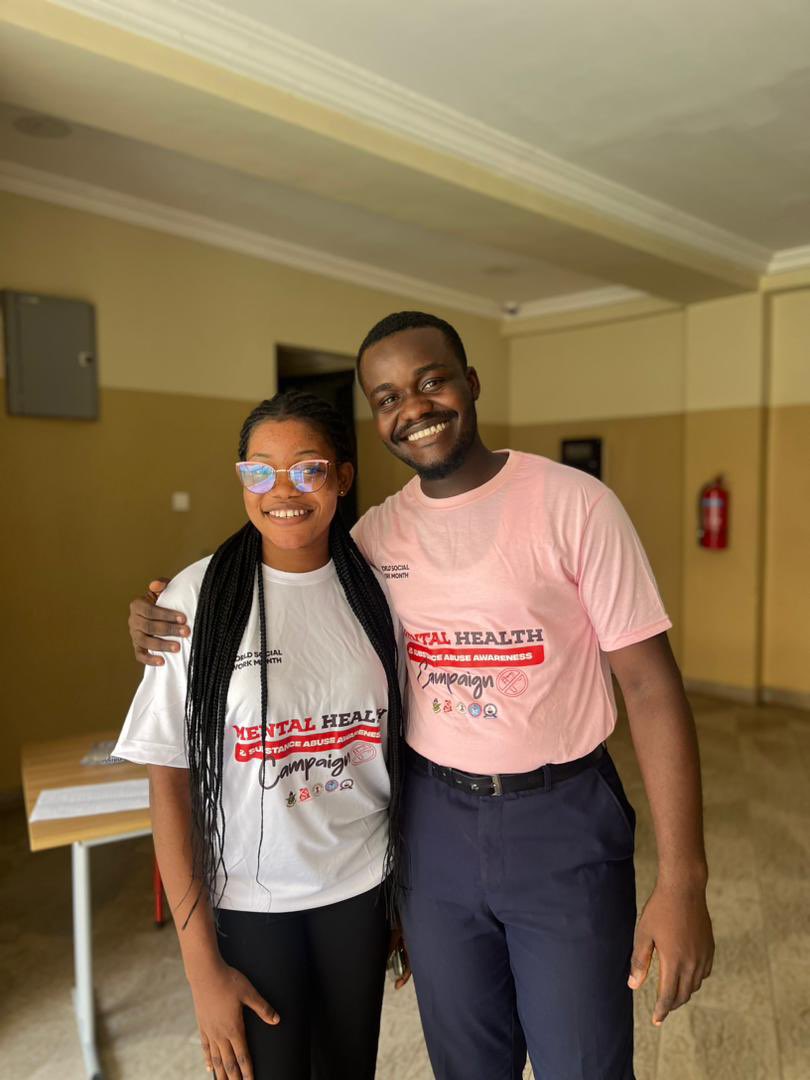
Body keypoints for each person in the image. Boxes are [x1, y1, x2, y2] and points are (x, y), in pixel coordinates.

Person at [129, 312, 714, 1080]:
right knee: (465, 1063)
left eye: (432, 380)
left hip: (560, 818)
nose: (415, 406)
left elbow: (649, 683)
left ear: (470, 384)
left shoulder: (574, 504)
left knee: (584, 1062)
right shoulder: (376, 537)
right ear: (376, 420)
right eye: (388, 396)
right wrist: (161, 614)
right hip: (432, 827)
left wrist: (685, 879)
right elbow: (280, 554)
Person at [115, 391, 409, 1080]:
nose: (283, 491)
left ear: (342, 475)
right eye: (260, 472)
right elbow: (170, 785)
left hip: (361, 890)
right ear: (241, 477)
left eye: (307, 469)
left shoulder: (381, 589)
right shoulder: (196, 599)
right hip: (249, 904)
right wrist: (200, 970)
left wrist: (401, 899)